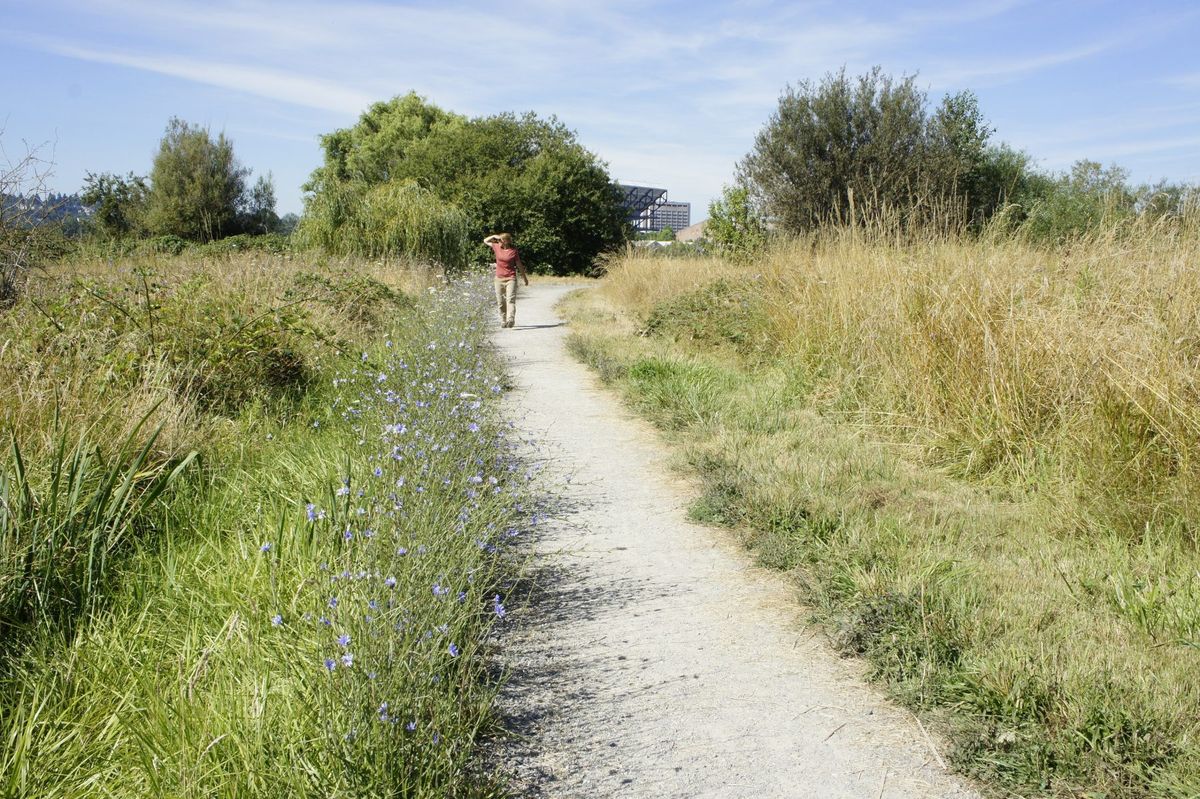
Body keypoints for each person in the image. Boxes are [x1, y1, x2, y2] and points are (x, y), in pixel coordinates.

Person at [484, 232, 529, 328]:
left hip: (511, 278)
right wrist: (494, 236)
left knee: (510, 300)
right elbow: (485, 241)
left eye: (501, 240)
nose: (499, 241)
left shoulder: (513, 251)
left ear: (507, 241)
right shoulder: (496, 247)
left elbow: (519, 265)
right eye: (499, 240)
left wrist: (524, 278)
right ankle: (503, 320)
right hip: (499, 279)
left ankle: (510, 319)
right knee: (500, 302)